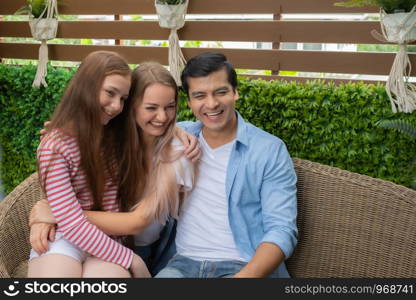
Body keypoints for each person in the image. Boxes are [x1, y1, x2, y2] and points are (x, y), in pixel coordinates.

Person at [29, 61, 198, 277]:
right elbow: (61, 166)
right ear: (130, 107)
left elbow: (137, 222)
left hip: (137, 248)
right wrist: (51, 216)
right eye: (151, 107)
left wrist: (58, 214)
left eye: (170, 106)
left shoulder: (177, 152)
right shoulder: (110, 139)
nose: (163, 117)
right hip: (87, 239)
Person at [154, 52, 298, 278]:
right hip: (181, 264)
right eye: (200, 95)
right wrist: (173, 129)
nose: (211, 104)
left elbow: (281, 230)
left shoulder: (268, 150)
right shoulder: (180, 137)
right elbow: (132, 124)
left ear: (235, 93)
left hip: (241, 266)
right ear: (189, 102)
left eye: (220, 92)